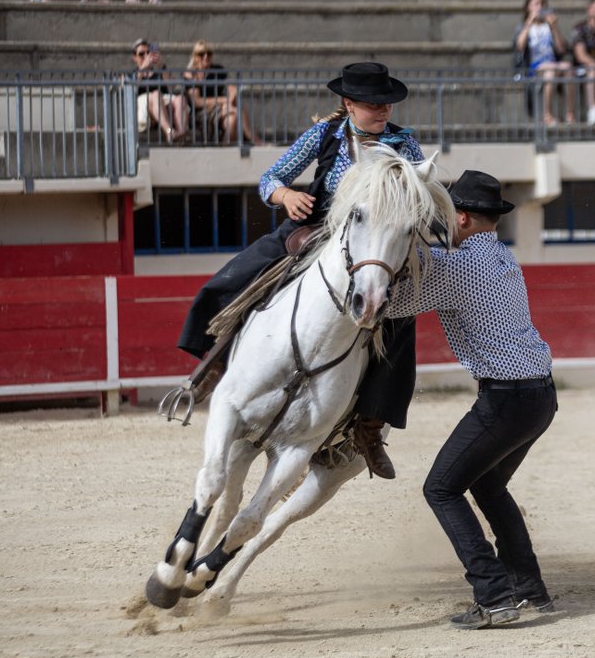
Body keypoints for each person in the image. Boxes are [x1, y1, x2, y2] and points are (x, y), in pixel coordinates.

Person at [177, 62, 423, 479]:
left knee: (400, 321)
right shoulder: (324, 134)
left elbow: (417, 191)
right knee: (235, 276)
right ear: (348, 104)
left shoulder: (404, 145)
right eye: (372, 104)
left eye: (386, 103)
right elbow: (270, 176)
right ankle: (213, 363)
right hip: (315, 227)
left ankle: (369, 425)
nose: (382, 111)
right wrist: (286, 194)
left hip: (373, 243)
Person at [385, 171, 557, 630]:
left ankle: (494, 595)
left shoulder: (454, 264)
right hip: (540, 397)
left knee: (440, 488)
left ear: (459, 217)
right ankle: (529, 589)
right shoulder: (501, 255)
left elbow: (388, 306)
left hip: (506, 399)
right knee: (486, 485)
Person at [184, 40, 265, 146]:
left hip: (222, 110)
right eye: (201, 54)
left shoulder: (217, 70)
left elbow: (232, 88)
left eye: (209, 53)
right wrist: (223, 100)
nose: (206, 57)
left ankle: (225, 147)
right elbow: (197, 102)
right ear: (195, 56)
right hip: (201, 114)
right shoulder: (191, 74)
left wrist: (232, 95)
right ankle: (254, 139)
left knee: (232, 120)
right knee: (235, 109)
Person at [514, 0, 576, 126]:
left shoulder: (549, 26)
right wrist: (529, 22)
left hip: (552, 64)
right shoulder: (523, 26)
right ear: (528, 7)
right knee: (550, 72)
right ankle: (547, 115)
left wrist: (554, 27)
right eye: (536, 4)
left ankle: (570, 113)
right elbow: (519, 46)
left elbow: (561, 49)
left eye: (542, 4)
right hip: (535, 67)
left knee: (569, 69)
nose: (540, 7)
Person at [130, 38, 188, 143]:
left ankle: (181, 133)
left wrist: (162, 66)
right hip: (147, 109)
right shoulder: (133, 74)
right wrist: (143, 68)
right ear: (134, 57)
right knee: (156, 94)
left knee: (180, 99)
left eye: (148, 53)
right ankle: (169, 132)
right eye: (141, 54)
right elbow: (132, 87)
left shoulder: (158, 73)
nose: (146, 56)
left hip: (164, 106)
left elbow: (172, 86)